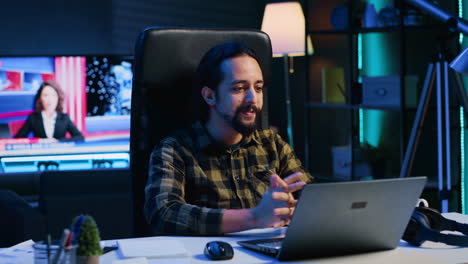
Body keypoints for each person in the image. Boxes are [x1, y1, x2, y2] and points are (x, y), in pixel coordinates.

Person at [144, 42, 313, 236]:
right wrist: (255, 217)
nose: (253, 98)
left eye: (258, 88)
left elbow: (311, 199)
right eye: (239, 88)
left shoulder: (272, 144)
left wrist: (296, 209)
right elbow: (163, 213)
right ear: (210, 96)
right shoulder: (175, 149)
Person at [15, 80, 84, 142]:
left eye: (53, 95)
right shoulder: (33, 117)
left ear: (58, 98)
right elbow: (18, 138)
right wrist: (39, 141)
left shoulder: (64, 118)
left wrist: (58, 141)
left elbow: (80, 137)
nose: (49, 99)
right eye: (45, 95)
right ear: (40, 99)